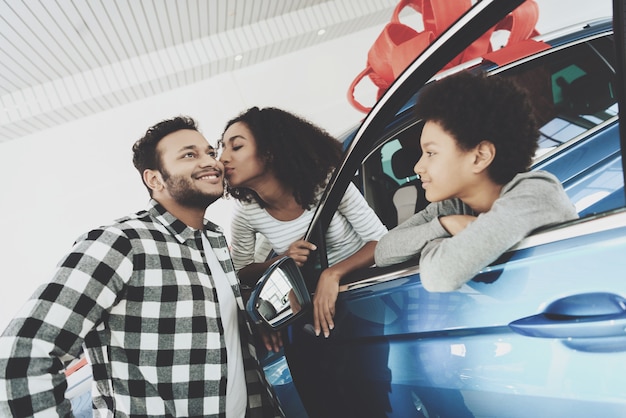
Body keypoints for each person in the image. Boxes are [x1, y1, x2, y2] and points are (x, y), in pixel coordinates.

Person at [0, 116, 282, 417]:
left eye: (209, 152)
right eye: (189, 154)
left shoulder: (213, 239)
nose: (211, 162)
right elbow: (19, 358)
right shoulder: (120, 243)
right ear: (155, 179)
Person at [375, 71, 579, 292]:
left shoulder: (535, 194)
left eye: (431, 153)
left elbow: (439, 275)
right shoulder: (453, 207)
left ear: (480, 156)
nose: (418, 167)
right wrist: (444, 225)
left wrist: (434, 243)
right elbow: (384, 251)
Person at [219, 107, 387, 338]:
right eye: (222, 147)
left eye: (236, 147)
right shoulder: (246, 213)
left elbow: (380, 241)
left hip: (367, 298)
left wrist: (332, 274)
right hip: (311, 313)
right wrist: (283, 260)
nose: (222, 158)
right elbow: (241, 272)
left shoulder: (327, 182)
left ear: (269, 151)